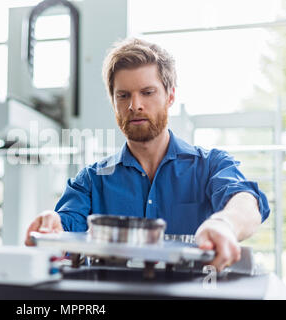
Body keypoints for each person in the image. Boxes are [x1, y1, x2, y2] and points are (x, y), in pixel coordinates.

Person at [25, 37, 270, 272]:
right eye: (123, 95)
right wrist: (51, 225)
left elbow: (245, 201)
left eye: (147, 92)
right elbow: (65, 224)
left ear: (170, 96)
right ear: (113, 102)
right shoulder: (91, 180)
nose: (135, 105)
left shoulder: (210, 166)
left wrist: (224, 224)